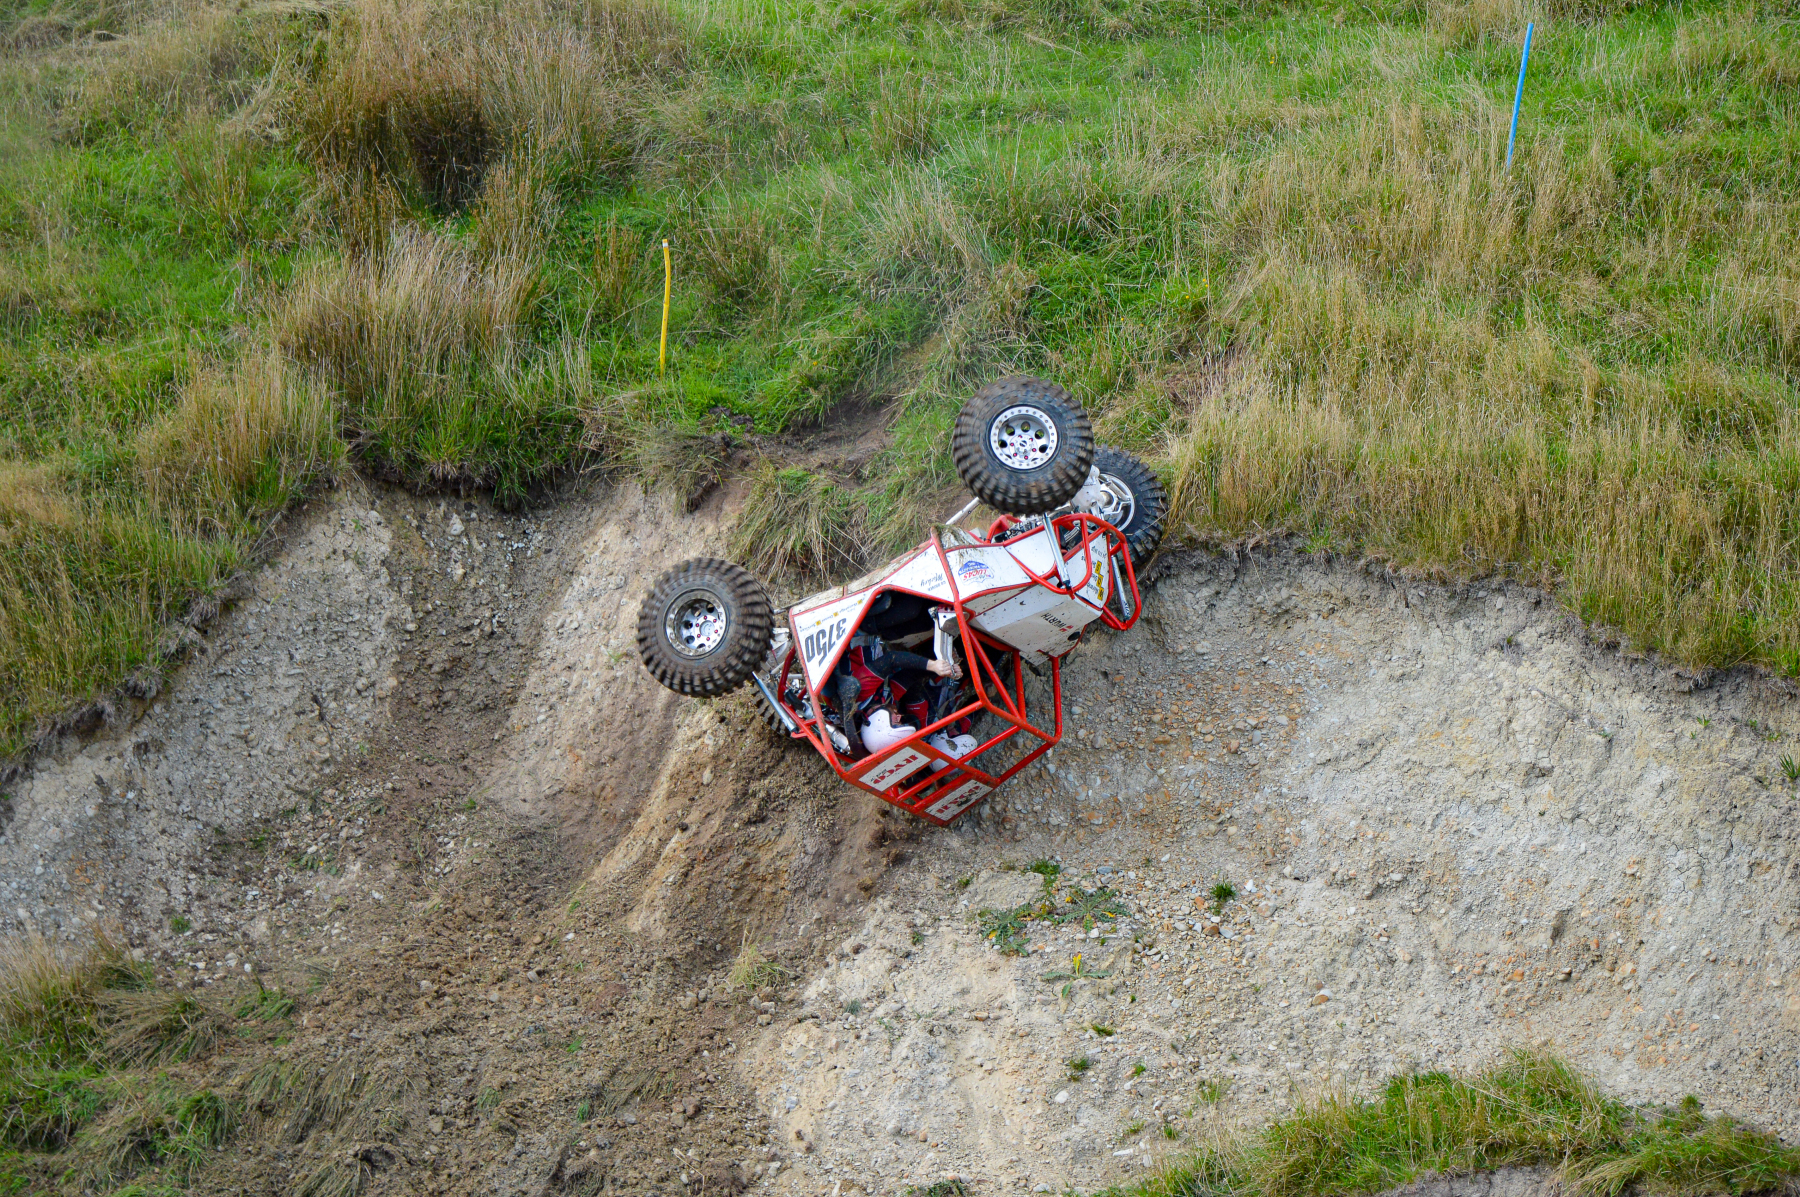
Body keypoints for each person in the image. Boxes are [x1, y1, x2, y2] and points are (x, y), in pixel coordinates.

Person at [830, 592, 961, 759]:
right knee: (926, 620)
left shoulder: (861, 695)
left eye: (896, 721)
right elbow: (910, 676)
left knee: (912, 608)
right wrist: (947, 668)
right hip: (878, 636)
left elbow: (891, 659)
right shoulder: (886, 700)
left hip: (858, 629)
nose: (900, 715)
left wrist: (933, 665)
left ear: (879, 724)